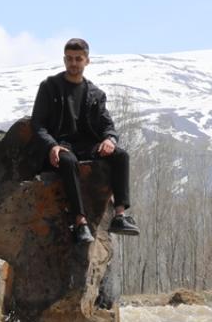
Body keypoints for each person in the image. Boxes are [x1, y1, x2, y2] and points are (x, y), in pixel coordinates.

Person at [30, 38, 140, 244]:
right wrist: (52, 145)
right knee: (68, 161)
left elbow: (107, 125)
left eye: (78, 59)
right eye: (69, 58)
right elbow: (38, 123)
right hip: (60, 145)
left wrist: (110, 139)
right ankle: (80, 223)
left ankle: (119, 216)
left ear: (87, 61)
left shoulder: (95, 94)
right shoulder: (50, 87)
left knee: (121, 155)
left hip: (88, 146)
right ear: (64, 60)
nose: (73, 63)